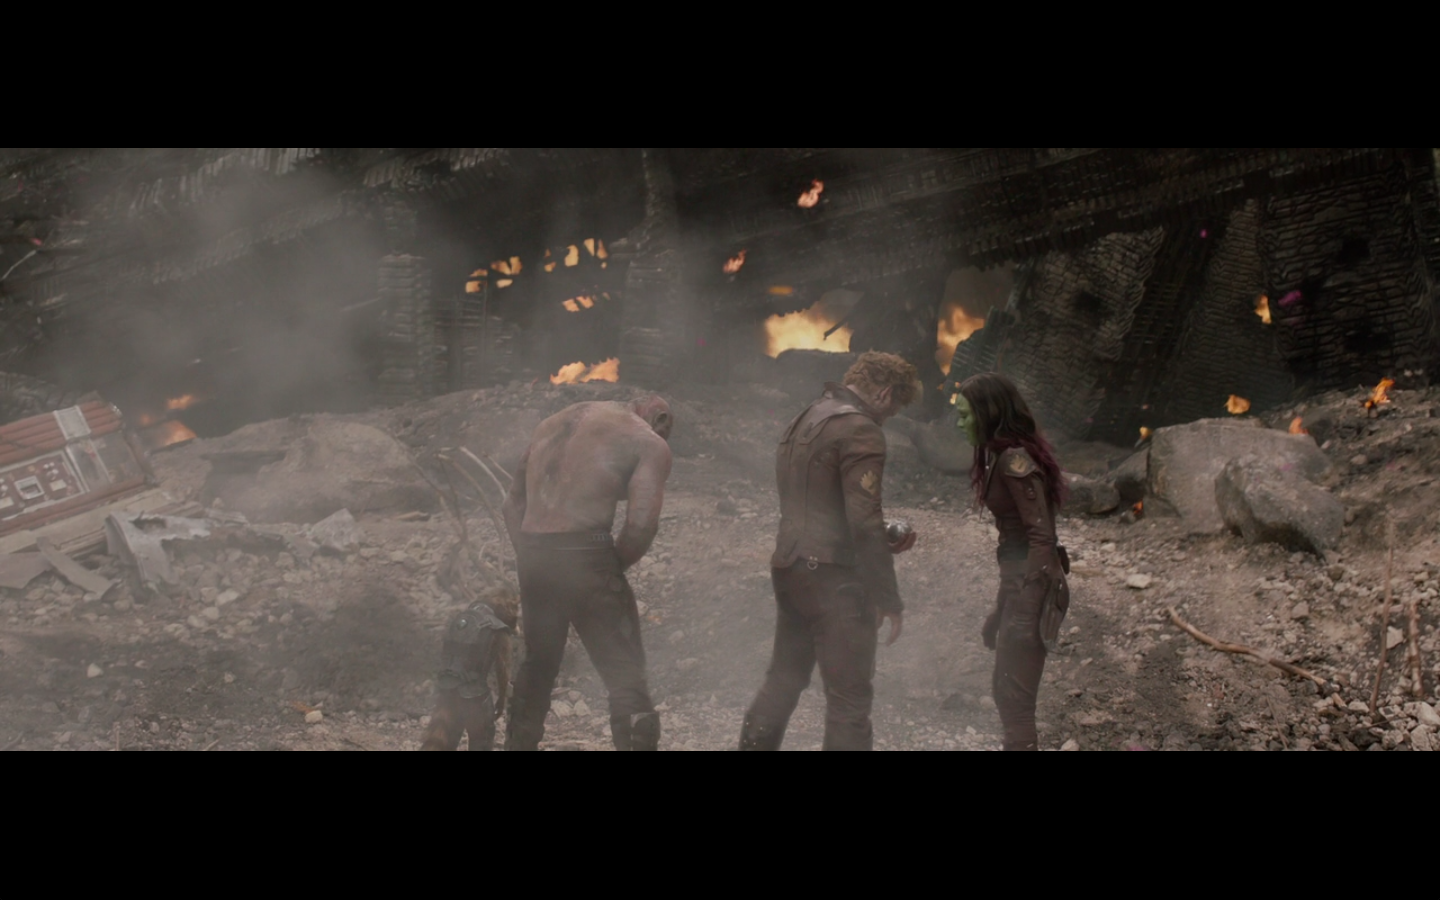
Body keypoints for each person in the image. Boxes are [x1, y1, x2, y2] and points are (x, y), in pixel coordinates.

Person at [739, 351, 920, 751]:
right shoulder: (861, 429)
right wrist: (888, 597)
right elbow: (864, 522)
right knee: (849, 700)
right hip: (834, 580)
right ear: (885, 393)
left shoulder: (805, 417)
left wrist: (880, 534)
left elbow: (822, 505)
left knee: (782, 681)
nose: (888, 418)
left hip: (790, 568)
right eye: (893, 408)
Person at [501, 395, 673, 751]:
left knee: (537, 666)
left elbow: (511, 505)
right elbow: (641, 525)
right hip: (588, 552)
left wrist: (532, 559)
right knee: (625, 676)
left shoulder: (550, 425)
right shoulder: (647, 441)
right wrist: (610, 568)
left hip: (535, 555)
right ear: (659, 419)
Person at [953, 372, 1069, 752]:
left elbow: (1042, 537)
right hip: (1021, 583)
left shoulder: (1014, 459)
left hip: (1033, 585)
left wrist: (1025, 608)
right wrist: (1000, 608)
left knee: (1016, 700)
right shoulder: (1000, 456)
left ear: (988, 413)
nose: (959, 424)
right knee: (1006, 692)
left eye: (965, 416)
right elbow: (1014, 550)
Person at [419, 588, 517, 751]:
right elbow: (503, 670)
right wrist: (501, 700)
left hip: (448, 691)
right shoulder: (496, 627)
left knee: (443, 741)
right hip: (475, 696)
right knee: (482, 740)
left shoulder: (460, 620)